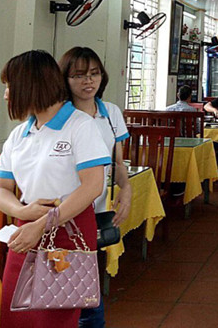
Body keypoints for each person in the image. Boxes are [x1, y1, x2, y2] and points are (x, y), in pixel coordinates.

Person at [0, 50, 110, 328]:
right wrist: (23, 212)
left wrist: (43, 224)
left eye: (10, 86)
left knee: (54, 318)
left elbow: (93, 186)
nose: (6, 95)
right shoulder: (19, 134)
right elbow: (0, 189)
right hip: (25, 230)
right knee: (15, 314)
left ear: (30, 85)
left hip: (69, 230)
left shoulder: (80, 126)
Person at [59, 47, 132, 328]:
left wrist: (126, 189)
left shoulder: (110, 112)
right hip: (65, 211)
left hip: (97, 210)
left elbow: (118, 162)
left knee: (85, 285)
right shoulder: (60, 114)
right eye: (78, 75)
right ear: (64, 79)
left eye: (94, 73)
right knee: (74, 289)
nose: (88, 81)